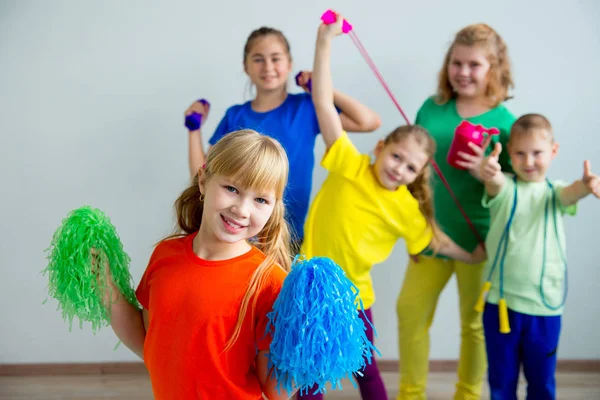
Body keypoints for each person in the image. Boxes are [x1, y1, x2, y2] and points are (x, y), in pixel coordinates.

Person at [298, 13, 486, 400]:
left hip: (356, 297)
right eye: (396, 157)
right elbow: (322, 101)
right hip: (309, 286)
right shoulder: (349, 163)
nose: (400, 169)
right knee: (308, 373)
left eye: (411, 167)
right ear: (381, 147)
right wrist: (324, 41)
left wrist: (471, 255)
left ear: (419, 174)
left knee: (366, 371)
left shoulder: (406, 208)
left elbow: (437, 242)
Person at [101, 129, 295, 399]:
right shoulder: (165, 255)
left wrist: (307, 347)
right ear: (203, 181)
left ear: (273, 207)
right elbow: (148, 342)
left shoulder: (270, 281)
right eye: (231, 189)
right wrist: (105, 284)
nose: (242, 209)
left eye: (260, 200)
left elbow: (276, 392)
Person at [395, 23, 517, 400]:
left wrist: (490, 177)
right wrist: (411, 229)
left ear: (493, 69)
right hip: (429, 233)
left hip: (480, 239)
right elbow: (409, 173)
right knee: (410, 314)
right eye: (456, 63)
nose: (463, 72)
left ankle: (468, 395)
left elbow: (514, 193)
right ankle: (410, 394)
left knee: (476, 324)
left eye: (474, 65)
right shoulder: (431, 109)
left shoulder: (506, 124)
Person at [184, 26, 381, 248]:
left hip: (289, 236)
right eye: (258, 59)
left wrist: (321, 89)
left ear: (289, 64)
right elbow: (201, 175)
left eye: (275, 59)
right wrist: (193, 129)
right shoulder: (235, 115)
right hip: (238, 233)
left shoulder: (307, 109)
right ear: (246, 67)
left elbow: (368, 122)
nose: (268, 67)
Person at [478, 114, 599, 400]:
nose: (528, 161)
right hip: (501, 306)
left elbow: (571, 193)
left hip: (545, 307)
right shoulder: (506, 189)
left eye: (537, 153)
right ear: (509, 153)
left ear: (553, 151)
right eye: (520, 153)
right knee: (501, 380)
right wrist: (490, 171)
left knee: (542, 381)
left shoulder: (554, 193)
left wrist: (586, 185)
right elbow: (495, 183)